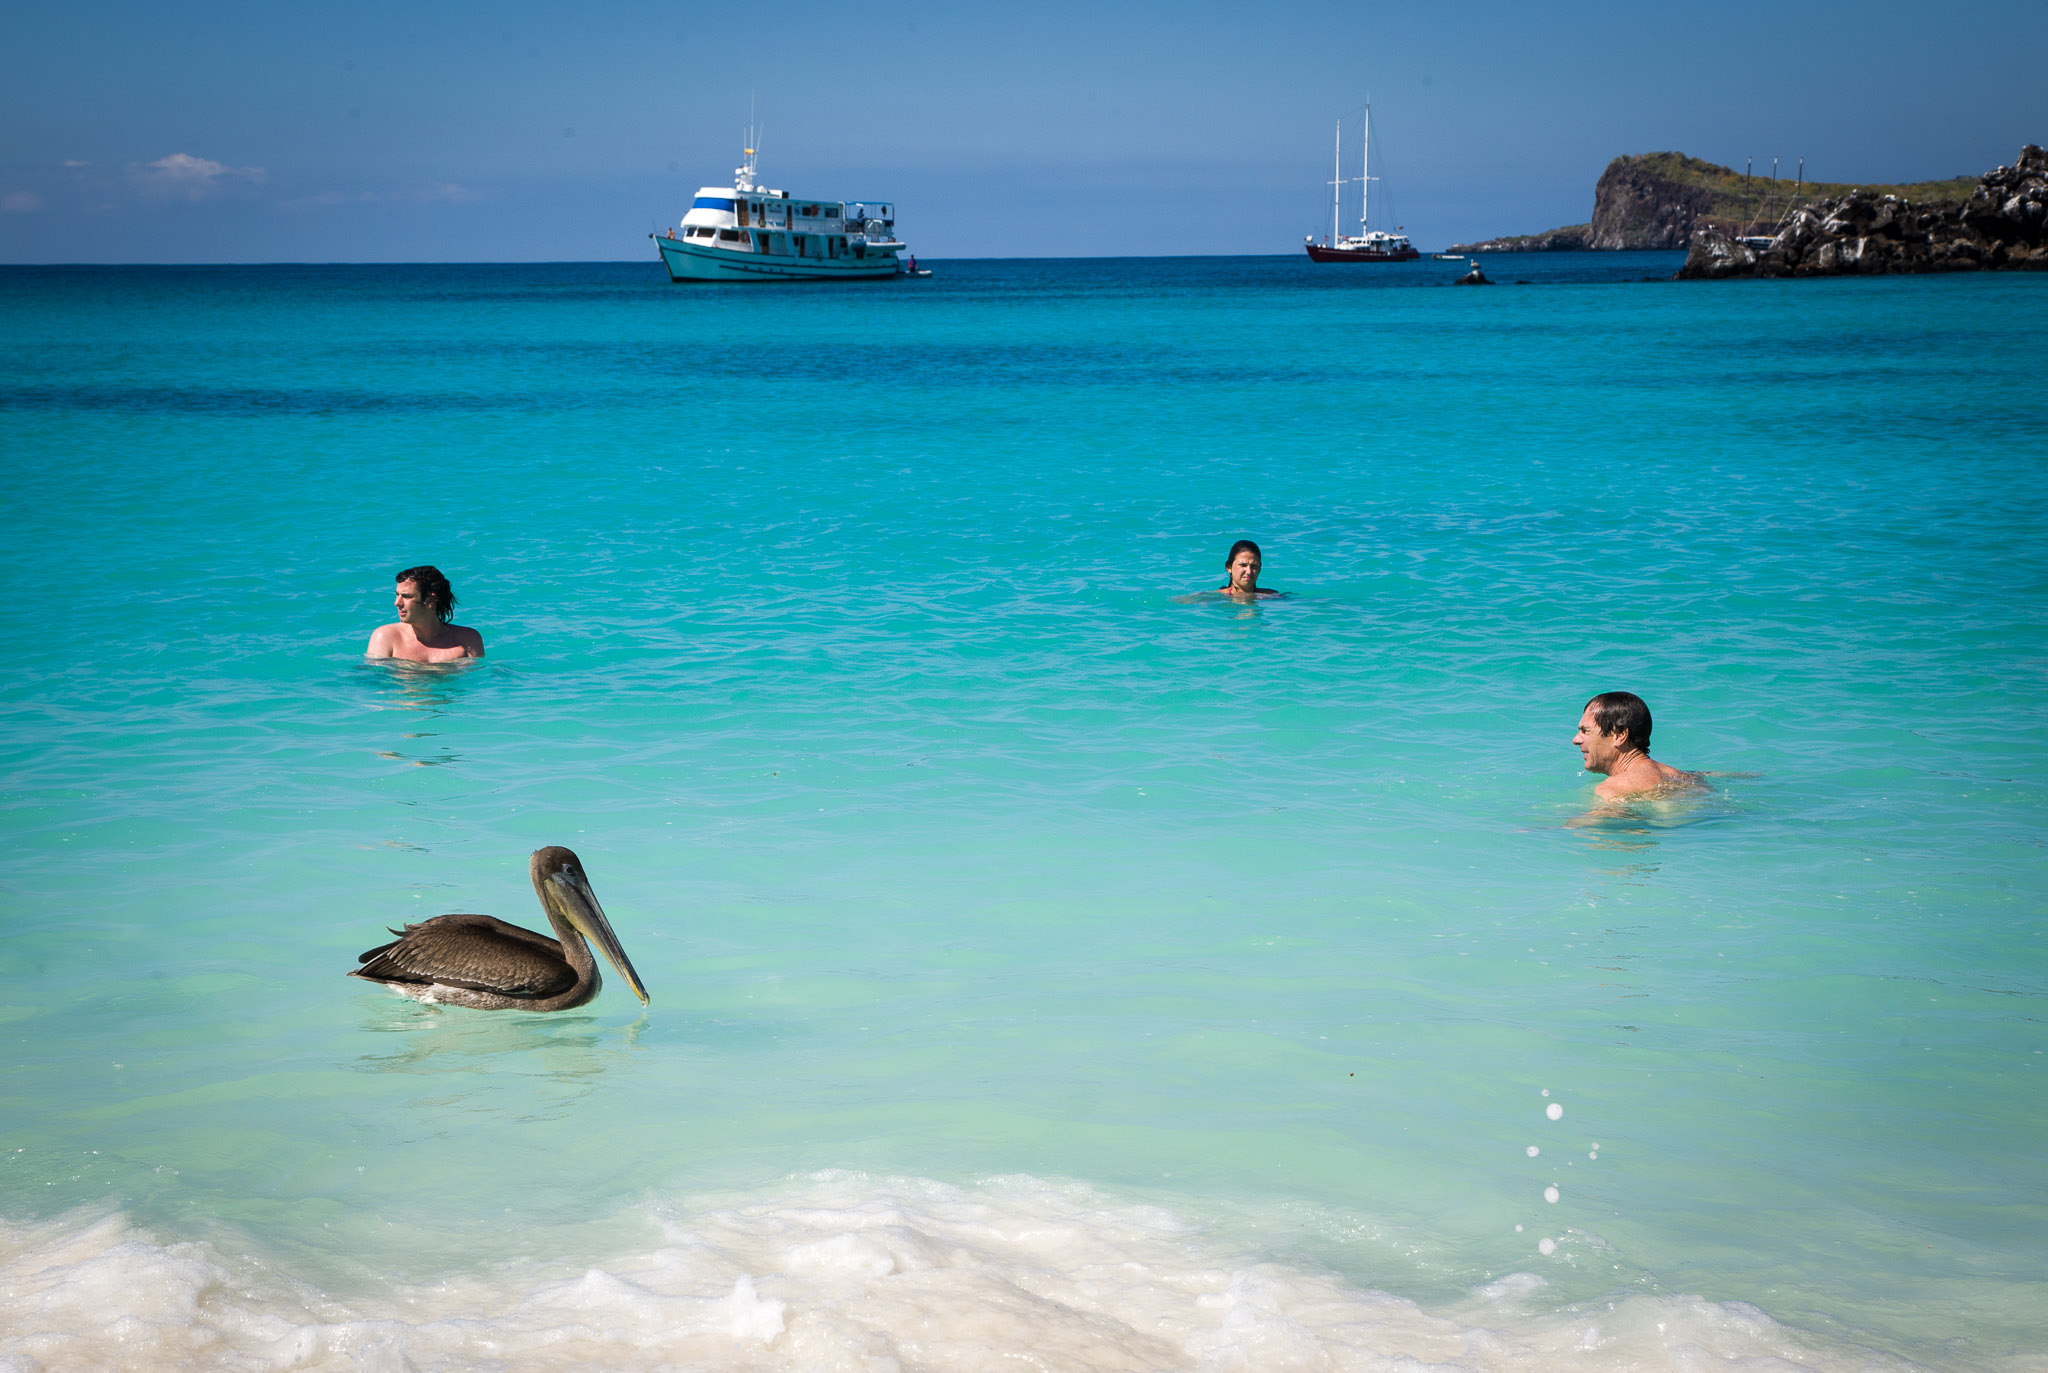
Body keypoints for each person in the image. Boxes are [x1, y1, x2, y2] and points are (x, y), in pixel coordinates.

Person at [1572, 691, 1695, 799]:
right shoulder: (1684, 777)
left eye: (1585, 731)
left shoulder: (1613, 789)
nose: (1575, 740)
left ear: (1619, 735)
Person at [366, 565, 484, 662]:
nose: (397, 603)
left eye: (407, 596)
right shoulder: (386, 638)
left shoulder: (468, 640)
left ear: (430, 601)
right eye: (397, 595)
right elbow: (375, 683)